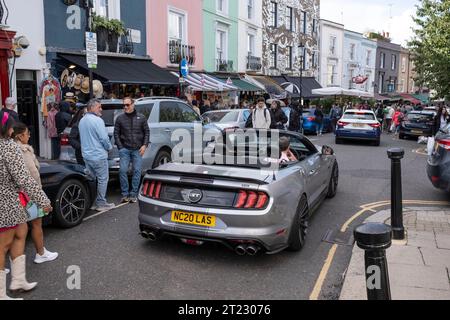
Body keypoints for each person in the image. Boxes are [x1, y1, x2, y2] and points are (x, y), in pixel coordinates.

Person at [0, 110, 52, 300]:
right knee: (3, 245)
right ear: (7, 128)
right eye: (12, 125)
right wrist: (43, 201)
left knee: (21, 233)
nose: (14, 128)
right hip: (7, 201)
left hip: (10, 201)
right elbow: (24, 179)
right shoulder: (9, 147)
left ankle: (18, 280)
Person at [12, 122, 58, 264]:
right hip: (28, 196)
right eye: (27, 133)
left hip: (14, 195)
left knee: (13, 231)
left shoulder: (9, 149)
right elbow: (33, 176)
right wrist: (41, 198)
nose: (30, 136)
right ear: (20, 136)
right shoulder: (24, 151)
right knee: (36, 225)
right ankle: (41, 253)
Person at [79, 99, 115, 211]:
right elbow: (104, 138)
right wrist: (109, 148)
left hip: (87, 155)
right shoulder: (98, 120)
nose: (101, 109)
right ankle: (101, 203)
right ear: (92, 108)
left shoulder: (82, 120)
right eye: (99, 107)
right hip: (98, 155)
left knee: (92, 179)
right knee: (103, 179)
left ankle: (93, 202)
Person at [114, 97, 150, 204]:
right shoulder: (120, 118)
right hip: (125, 149)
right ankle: (125, 194)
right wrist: (120, 147)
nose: (125, 107)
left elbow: (147, 132)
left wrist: (144, 145)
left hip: (137, 149)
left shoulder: (141, 117)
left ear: (133, 104)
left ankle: (133, 194)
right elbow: (116, 134)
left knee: (137, 171)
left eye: (127, 105)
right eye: (124, 105)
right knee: (122, 171)